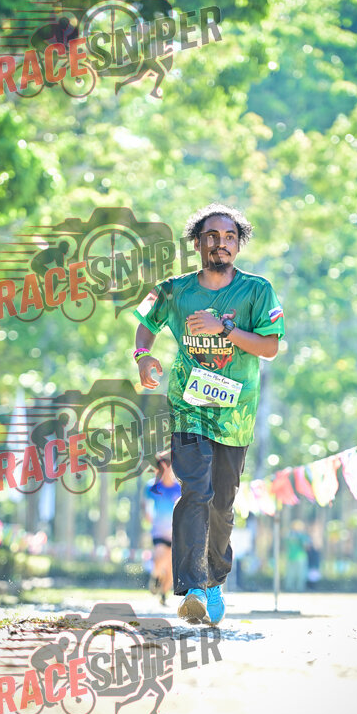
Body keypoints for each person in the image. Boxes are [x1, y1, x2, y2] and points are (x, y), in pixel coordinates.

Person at [133, 203, 285, 625]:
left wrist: (225, 329)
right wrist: (143, 356)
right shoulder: (173, 290)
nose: (221, 243)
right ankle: (193, 588)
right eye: (212, 236)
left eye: (230, 236)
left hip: (236, 414)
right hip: (189, 407)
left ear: (239, 244)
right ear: (197, 243)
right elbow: (145, 322)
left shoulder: (258, 290)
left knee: (222, 503)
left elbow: (270, 347)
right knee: (195, 491)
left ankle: (215, 580)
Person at [144, 450, 181, 605]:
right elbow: (147, 508)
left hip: (176, 533)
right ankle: (155, 576)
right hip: (159, 532)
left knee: (172, 567)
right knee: (160, 557)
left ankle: (164, 593)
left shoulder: (179, 488)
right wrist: (149, 516)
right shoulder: (152, 487)